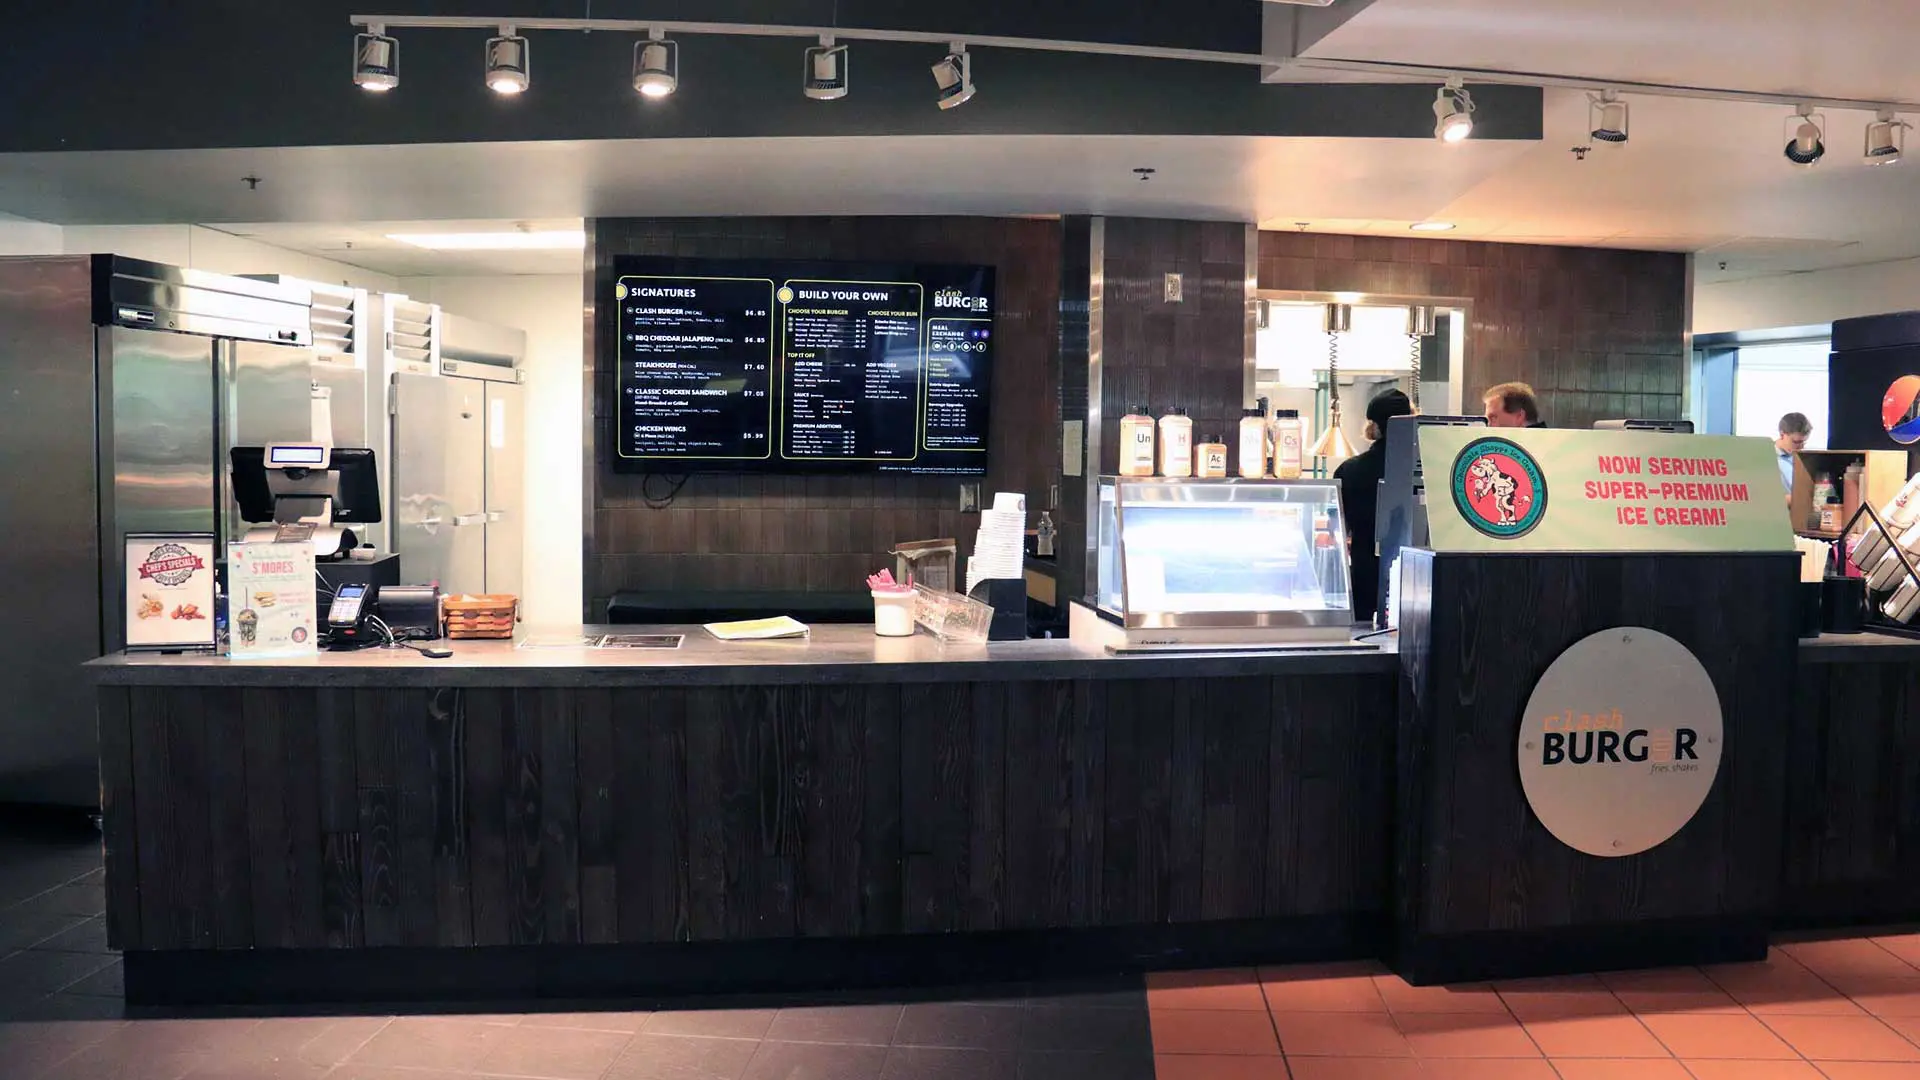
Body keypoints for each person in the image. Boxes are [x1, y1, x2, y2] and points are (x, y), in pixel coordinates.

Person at [1335, 387, 1414, 624]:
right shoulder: (1426, 469)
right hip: (1415, 580)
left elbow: (1338, 529)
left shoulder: (1349, 471)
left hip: (1365, 579)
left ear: (1373, 426)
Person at [1776, 412, 1812, 494]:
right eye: (1796, 442)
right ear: (1782, 434)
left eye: (1804, 442)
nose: (1801, 447)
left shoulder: (1804, 459)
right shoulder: (1767, 458)